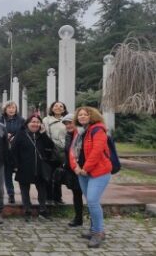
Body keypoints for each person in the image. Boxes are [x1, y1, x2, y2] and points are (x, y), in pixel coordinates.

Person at [70, 106, 112, 248]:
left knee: (93, 201)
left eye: (85, 115)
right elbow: (72, 151)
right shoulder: (80, 131)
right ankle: (94, 229)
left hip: (98, 172)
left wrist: (85, 169)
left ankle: (98, 232)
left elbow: (97, 151)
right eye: (79, 115)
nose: (81, 117)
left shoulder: (98, 129)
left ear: (92, 116)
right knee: (91, 201)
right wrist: (75, 166)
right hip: (82, 172)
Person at [11, 114, 55, 222]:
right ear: (27, 123)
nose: (35, 124)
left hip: (40, 167)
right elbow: (14, 151)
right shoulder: (21, 134)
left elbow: (50, 146)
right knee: (25, 190)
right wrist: (15, 165)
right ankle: (27, 210)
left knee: (42, 189)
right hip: (24, 166)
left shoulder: (42, 135)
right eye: (33, 122)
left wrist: (44, 134)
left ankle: (43, 209)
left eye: (37, 122)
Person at [0, 101, 25, 204]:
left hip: (18, 150)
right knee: (7, 173)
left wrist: (15, 137)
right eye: (9, 108)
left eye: (13, 107)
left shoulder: (21, 120)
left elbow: (24, 131)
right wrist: (5, 135)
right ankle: (11, 193)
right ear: (5, 109)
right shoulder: (0, 120)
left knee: (22, 172)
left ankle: (24, 194)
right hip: (6, 150)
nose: (11, 109)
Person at [42, 101, 68, 205]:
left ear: (64, 109)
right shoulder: (46, 120)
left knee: (59, 175)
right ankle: (49, 198)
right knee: (48, 175)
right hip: (50, 150)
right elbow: (45, 133)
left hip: (63, 151)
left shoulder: (67, 120)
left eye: (61, 106)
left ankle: (58, 198)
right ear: (52, 108)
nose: (58, 108)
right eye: (56, 106)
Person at [62, 113, 83, 227]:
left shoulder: (81, 134)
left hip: (82, 169)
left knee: (90, 196)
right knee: (76, 194)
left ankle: (95, 223)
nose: (68, 125)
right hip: (72, 169)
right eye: (66, 123)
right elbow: (67, 151)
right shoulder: (68, 135)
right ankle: (78, 218)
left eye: (70, 123)